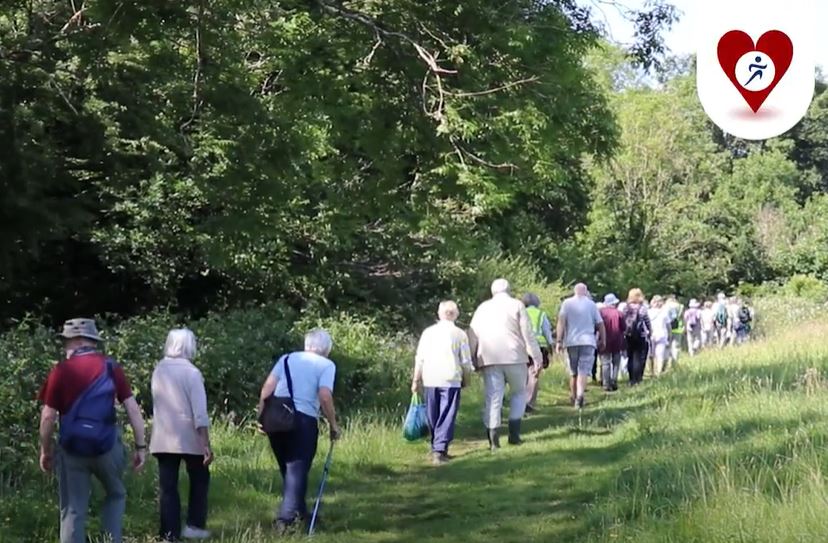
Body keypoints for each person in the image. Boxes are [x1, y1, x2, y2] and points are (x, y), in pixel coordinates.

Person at [37, 318, 147, 543]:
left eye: (66, 343)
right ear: (91, 341)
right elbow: (133, 410)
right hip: (107, 447)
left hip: (72, 450)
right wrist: (140, 447)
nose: (65, 348)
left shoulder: (60, 370)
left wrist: (45, 450)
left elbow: (48, 416)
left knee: (73, 509)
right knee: (116, 493)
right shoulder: (110, 366)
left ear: (76, 342)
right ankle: (110, 539)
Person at [258, 329, 341, 534]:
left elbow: (266, 390)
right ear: (326, 350)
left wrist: (261, 418)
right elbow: (324, 396)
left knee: (291, 472)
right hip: (302, 421)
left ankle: (301, 513)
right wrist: (333, 424)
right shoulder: (326, 365)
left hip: (276, 419)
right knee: (296, 470)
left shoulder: (286, 359)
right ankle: (285, 523)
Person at [150, 328, 213, 541]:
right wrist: (206, 443)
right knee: (200, 479)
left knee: (168, 487)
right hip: (189, 437)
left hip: (163, 436)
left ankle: (169, 533)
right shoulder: (192, 373)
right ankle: (194, 525)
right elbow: (200, 413)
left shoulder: (159, 369)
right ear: (189, 346)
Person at [468, 279, 542, 450]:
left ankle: (493, 440)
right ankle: (514, 435)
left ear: (492, 291)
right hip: (515, 357)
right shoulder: (517, 305)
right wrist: (536, 358)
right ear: (509, 290)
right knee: (518, 393)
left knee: (493, 396)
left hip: (489, 358)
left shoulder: (482, 308)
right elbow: (528, 334)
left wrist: (472, 357)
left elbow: (472, 335)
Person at [411, 301, 473, 465]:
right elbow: (466, 361)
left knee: (433, 414)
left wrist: (415, 380)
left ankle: (437, 447)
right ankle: (439, 449)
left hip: (430, 378)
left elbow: (420, 358)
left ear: (439, 314)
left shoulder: (428, 333)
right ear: (456, 314)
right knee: (447, 414)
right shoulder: (459, 334)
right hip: (451, 379)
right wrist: (467, 380)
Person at [556, 283, 606, 409]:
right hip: (588, 341)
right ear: (586, 292)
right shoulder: (591, 304)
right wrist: (603, 340)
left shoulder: (567, 303)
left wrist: (558, 341)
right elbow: (600, 324)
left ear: (574, 291)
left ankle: (573, 397)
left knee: (573, 371)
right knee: (583, 370)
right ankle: (579, 396)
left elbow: (561, 322)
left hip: (571, 341)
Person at [521, 293, 554, 413]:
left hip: (522, 346)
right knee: (534, 373)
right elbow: (546, 331)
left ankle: (521, 400)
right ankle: (529, 402)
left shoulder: (520, 312)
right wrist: (551, 346)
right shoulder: (541, 314)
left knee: (523, 373)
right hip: (538, 346)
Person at [598, 293, 626, 392]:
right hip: (617, 340)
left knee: (605, 362)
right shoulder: (619, 313)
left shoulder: (600, 312)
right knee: (616, 362)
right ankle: (614, 380)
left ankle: (606, 383)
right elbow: (624, 328)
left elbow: (596, 326)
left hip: (604, 339)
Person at [623, 289, 651, 385]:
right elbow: (647, 321)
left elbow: (623, 321)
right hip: (640, 335)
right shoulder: (642, 308)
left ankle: (631, 379)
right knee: (639, 357)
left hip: (628, 335)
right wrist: (650, 331)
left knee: (630, 357)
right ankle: (638, 378)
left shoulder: (626, 308)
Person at [648, 296, 672, 376]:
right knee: (660, 355)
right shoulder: (664, 312)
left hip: (651, 335)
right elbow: (668, 326)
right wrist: (670, 337)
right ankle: (658, 372)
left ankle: (651, 372)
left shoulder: (648, 312)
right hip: (662, 335)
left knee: (651, 355)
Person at [665, 295, 683, 366]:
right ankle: (674, 362)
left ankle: (667, 361)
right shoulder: (680, 306)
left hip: (667, 328)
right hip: (677, 328)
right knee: (676, 346)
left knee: (667, 346)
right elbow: (682, 318)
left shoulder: (665, 306)